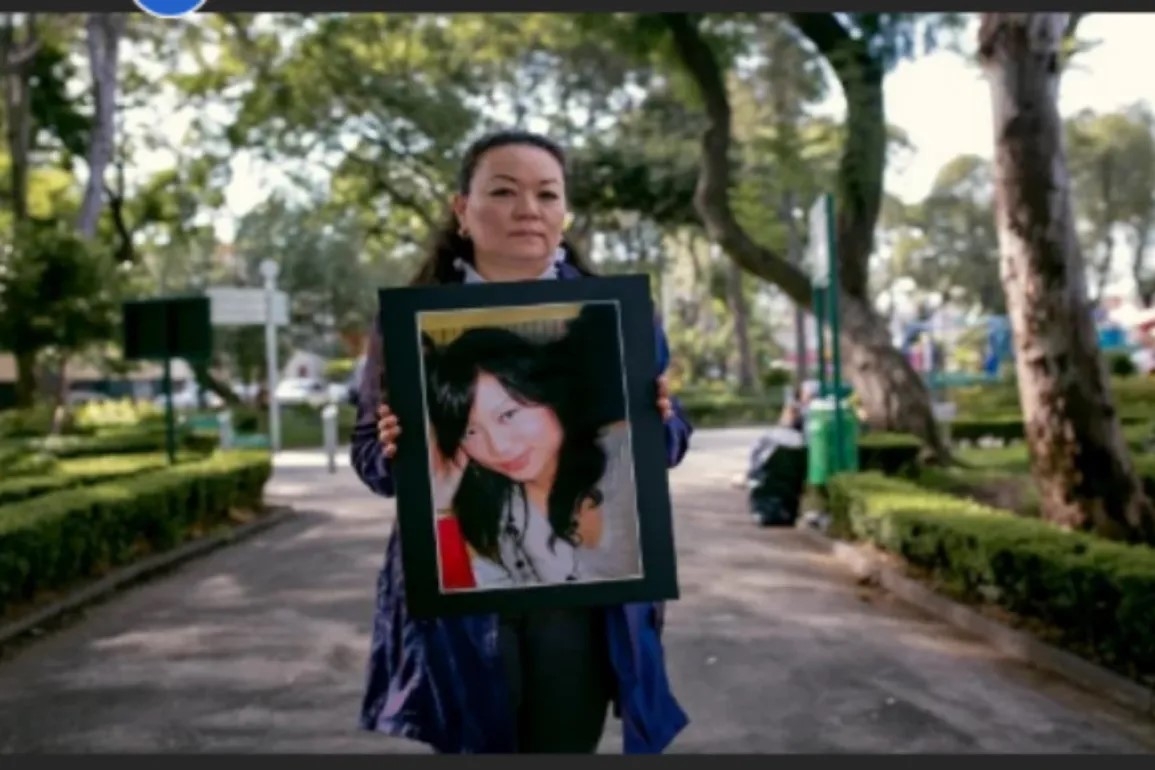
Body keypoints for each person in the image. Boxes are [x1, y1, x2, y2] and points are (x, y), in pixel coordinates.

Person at [351, 129, 693, 754]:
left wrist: (659, 420)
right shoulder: (411, 325)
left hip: (585, 599)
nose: (527, 209)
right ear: (462, 210)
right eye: (503, 192)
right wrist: (392, 445)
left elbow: (665, 449)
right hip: (462, 597)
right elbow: (374, 464)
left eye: (546, 194)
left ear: (565, 212)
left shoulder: (618, 319)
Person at [422, 316, 640, 590]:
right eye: (470, 432)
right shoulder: (502, 514)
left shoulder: (627, 456)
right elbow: (469, 609)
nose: (498, 447)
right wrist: (442, 507)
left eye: (508, 414)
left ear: (548, 393)